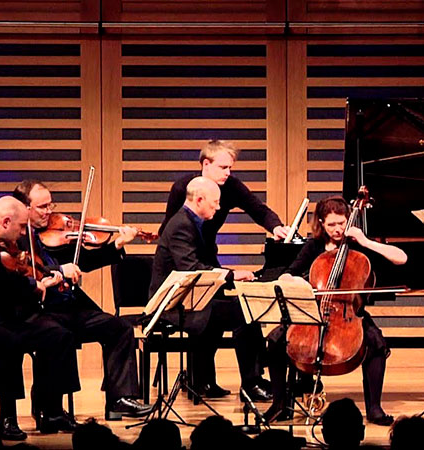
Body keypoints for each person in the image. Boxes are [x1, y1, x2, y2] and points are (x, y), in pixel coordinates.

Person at [12, 180, 151, 424]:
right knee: (58, 335)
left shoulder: (56, 235)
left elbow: (85, 261)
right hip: (40, 310)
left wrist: (117, 244)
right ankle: (51, 407)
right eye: (42, 207)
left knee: (119, 328)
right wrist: (58, 270)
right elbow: (22, 272)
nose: (49, 212)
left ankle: (120, 398)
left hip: (70, 307)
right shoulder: (18, 237)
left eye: (50, 205)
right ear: (25, 207)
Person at [265, 196, 407, 426]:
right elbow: (287, 274)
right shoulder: (313, 247)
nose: (337, 229)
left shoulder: (358, 245)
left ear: (349, 220)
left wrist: (365, 241)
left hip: (349, 312)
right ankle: (280, 404)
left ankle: (374, 408)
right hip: (314, 311)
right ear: (321, 223)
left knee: (376, 342)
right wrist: (297, 282)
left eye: (341, 223)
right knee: (275, 341)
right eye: (331, 224)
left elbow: (401, 258)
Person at [0, 196, 80, 440]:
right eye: (20, 227)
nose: (22, 234)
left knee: (59, 335)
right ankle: (7, 418)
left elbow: (8, 286)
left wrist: (42, 283)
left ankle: (51, 411)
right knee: (10, 342)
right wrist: (32, 285)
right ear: (6, 222)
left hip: (2, 320)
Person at [150, 176, 271, 401]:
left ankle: (203, 380)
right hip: (173, 304)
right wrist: (232, 275)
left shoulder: (192, 222)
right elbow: (192, 268)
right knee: (243, 311)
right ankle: (251, 383)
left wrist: (229, 276)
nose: (219, 207)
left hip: (192, 300)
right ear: (199, 200)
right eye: (215, 202)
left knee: (236, 307)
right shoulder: (181, 225)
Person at [157, 139, 291, 247]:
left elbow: (258, 210)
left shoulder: (231, 186)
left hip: (208, 252)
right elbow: (169, 227)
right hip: (180, 254)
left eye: (229, 168)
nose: (228, 173)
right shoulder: (182, 188)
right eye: (223, 167)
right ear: (206, 164)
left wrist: (276, 227)